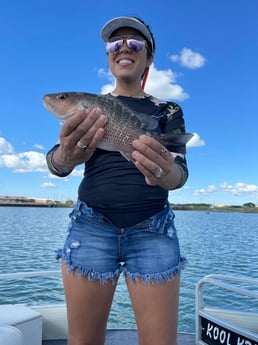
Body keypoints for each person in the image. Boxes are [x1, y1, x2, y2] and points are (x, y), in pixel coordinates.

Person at [46, 16, 190, 345]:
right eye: (115, 44)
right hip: (90, 226)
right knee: (82, 340)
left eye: (135, 43)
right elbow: (56, 163)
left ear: (149, 58)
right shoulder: (91, 106)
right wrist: (67, 155)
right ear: (108, 55)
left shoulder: (167, 110)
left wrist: (163, 172)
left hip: (153, 227)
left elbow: (180, 174)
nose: (124, 48)